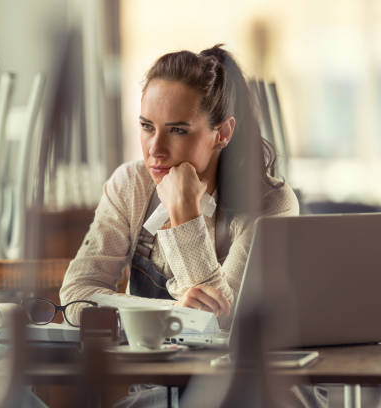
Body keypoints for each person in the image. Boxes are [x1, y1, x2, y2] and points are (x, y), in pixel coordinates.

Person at [60, 44, 298, 327]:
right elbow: (76, 296)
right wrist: (171, 313)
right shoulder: (131, 185)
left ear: (222, 133)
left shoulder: (272, 204)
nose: (155, 150)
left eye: (177, 130)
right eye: (147, 126)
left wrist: (185, 214)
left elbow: (225, 323)